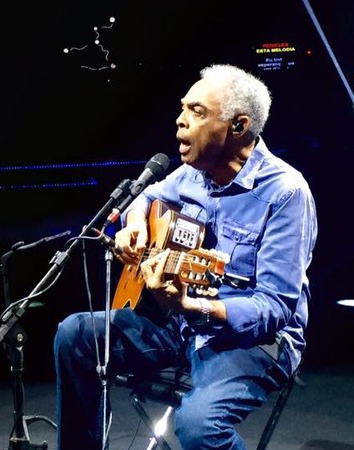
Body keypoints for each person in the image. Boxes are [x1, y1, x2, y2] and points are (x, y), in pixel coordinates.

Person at [53, 64, 317, 449]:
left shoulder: (286, 193)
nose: (179, 121)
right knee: (74, 336)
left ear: (238, 126)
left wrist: (194, 306)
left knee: (200, 427)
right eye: (182, 109)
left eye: (197, 112)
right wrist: (136, 222)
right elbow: (147, 196)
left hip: (255, 342)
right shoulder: (193, 173)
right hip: (182, 324)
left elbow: (274, 307)